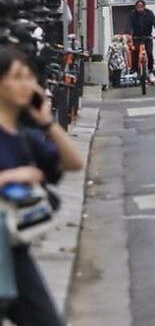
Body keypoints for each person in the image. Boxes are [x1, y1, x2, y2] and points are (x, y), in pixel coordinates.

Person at [0, 47, 84, 326]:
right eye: (17, 77)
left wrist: (47, 122)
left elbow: (73, 163)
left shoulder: (25, 137)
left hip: (14, 251)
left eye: (29, 77)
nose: (28, 85)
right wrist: (12, 177)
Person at [126, 0, 155, 84]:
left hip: (147, 36)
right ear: (136, 7)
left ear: (144, 7)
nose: (140, 9)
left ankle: (150, 70)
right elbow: (129, 24)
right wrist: (128, 34)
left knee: (149, 52)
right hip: (136, 37)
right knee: (134, 52)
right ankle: (134, 70)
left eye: (141, 7)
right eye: (138, 7)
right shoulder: (132, 14)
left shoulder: (149, 13)